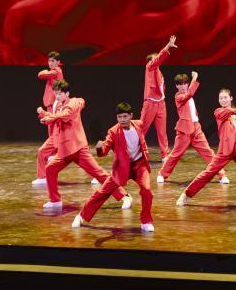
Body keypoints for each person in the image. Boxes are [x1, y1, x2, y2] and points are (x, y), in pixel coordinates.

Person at [40, 80, 128, 212]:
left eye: (59, 94)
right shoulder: (62, 105)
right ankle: (55, 200)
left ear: (67, 93)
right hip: (66, 150)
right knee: (50, 169)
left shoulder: (72, 104)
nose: (57, 97)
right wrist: (45, 115)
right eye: (56, 94)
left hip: (78, 148)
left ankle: (124, 196)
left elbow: (66, 114)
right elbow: (61, 114)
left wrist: (50, 118)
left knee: (98, 173)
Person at [73, 103, 155, 232]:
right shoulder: (113, 132)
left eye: (124, 116)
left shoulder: (138, 124)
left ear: (131, 116)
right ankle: (81, 216)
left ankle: (146, 221)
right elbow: (105, 149)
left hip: (139, 165)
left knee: (147, 190)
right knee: (103, 192)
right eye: (119, 117)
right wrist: (100, 148)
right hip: (122, 167)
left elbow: (141, 141)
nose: (122, 120)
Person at [177, 88, 236, 209]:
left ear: (231, 98)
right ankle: (186, 194)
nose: (223, 100)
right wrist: (234, 110)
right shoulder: (219, 112)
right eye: (221, 98)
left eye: (225, 98)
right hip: (226, 149)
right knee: (209, 173)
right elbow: (226, 113)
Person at [158, 72, 223, 184]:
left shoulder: (189, 94)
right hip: (184, 130)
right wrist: (194, 78)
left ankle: (221, 175)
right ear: (176, 86)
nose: (183, 86)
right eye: (180, 84)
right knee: (176, 154)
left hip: (196, 128)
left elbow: (191, 101)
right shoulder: (178, 96)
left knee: (208, 152)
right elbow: (189, 94)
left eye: (185, 83)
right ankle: (162, 174)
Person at [140, 35, 177, 161]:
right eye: (155, 58)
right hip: (150, 103)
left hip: (161, 103)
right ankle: (136, 152)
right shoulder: (149, 67)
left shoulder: (159, 73)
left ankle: (164, 155)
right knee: (142, 129)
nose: (157, 59)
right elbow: (158, 59)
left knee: (162, 131)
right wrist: (167, 47)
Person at [32, 51, 64, 186]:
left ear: (58, 62)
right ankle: (53, 154)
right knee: (51, 133)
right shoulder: (54, 71)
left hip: (54, 105)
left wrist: (44, 115)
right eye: (49, 61)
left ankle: (54, 153)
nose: (50, 63)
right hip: (51, 105)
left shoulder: (56, 71)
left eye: (53, 61)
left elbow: (41, 74)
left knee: (54, 133)